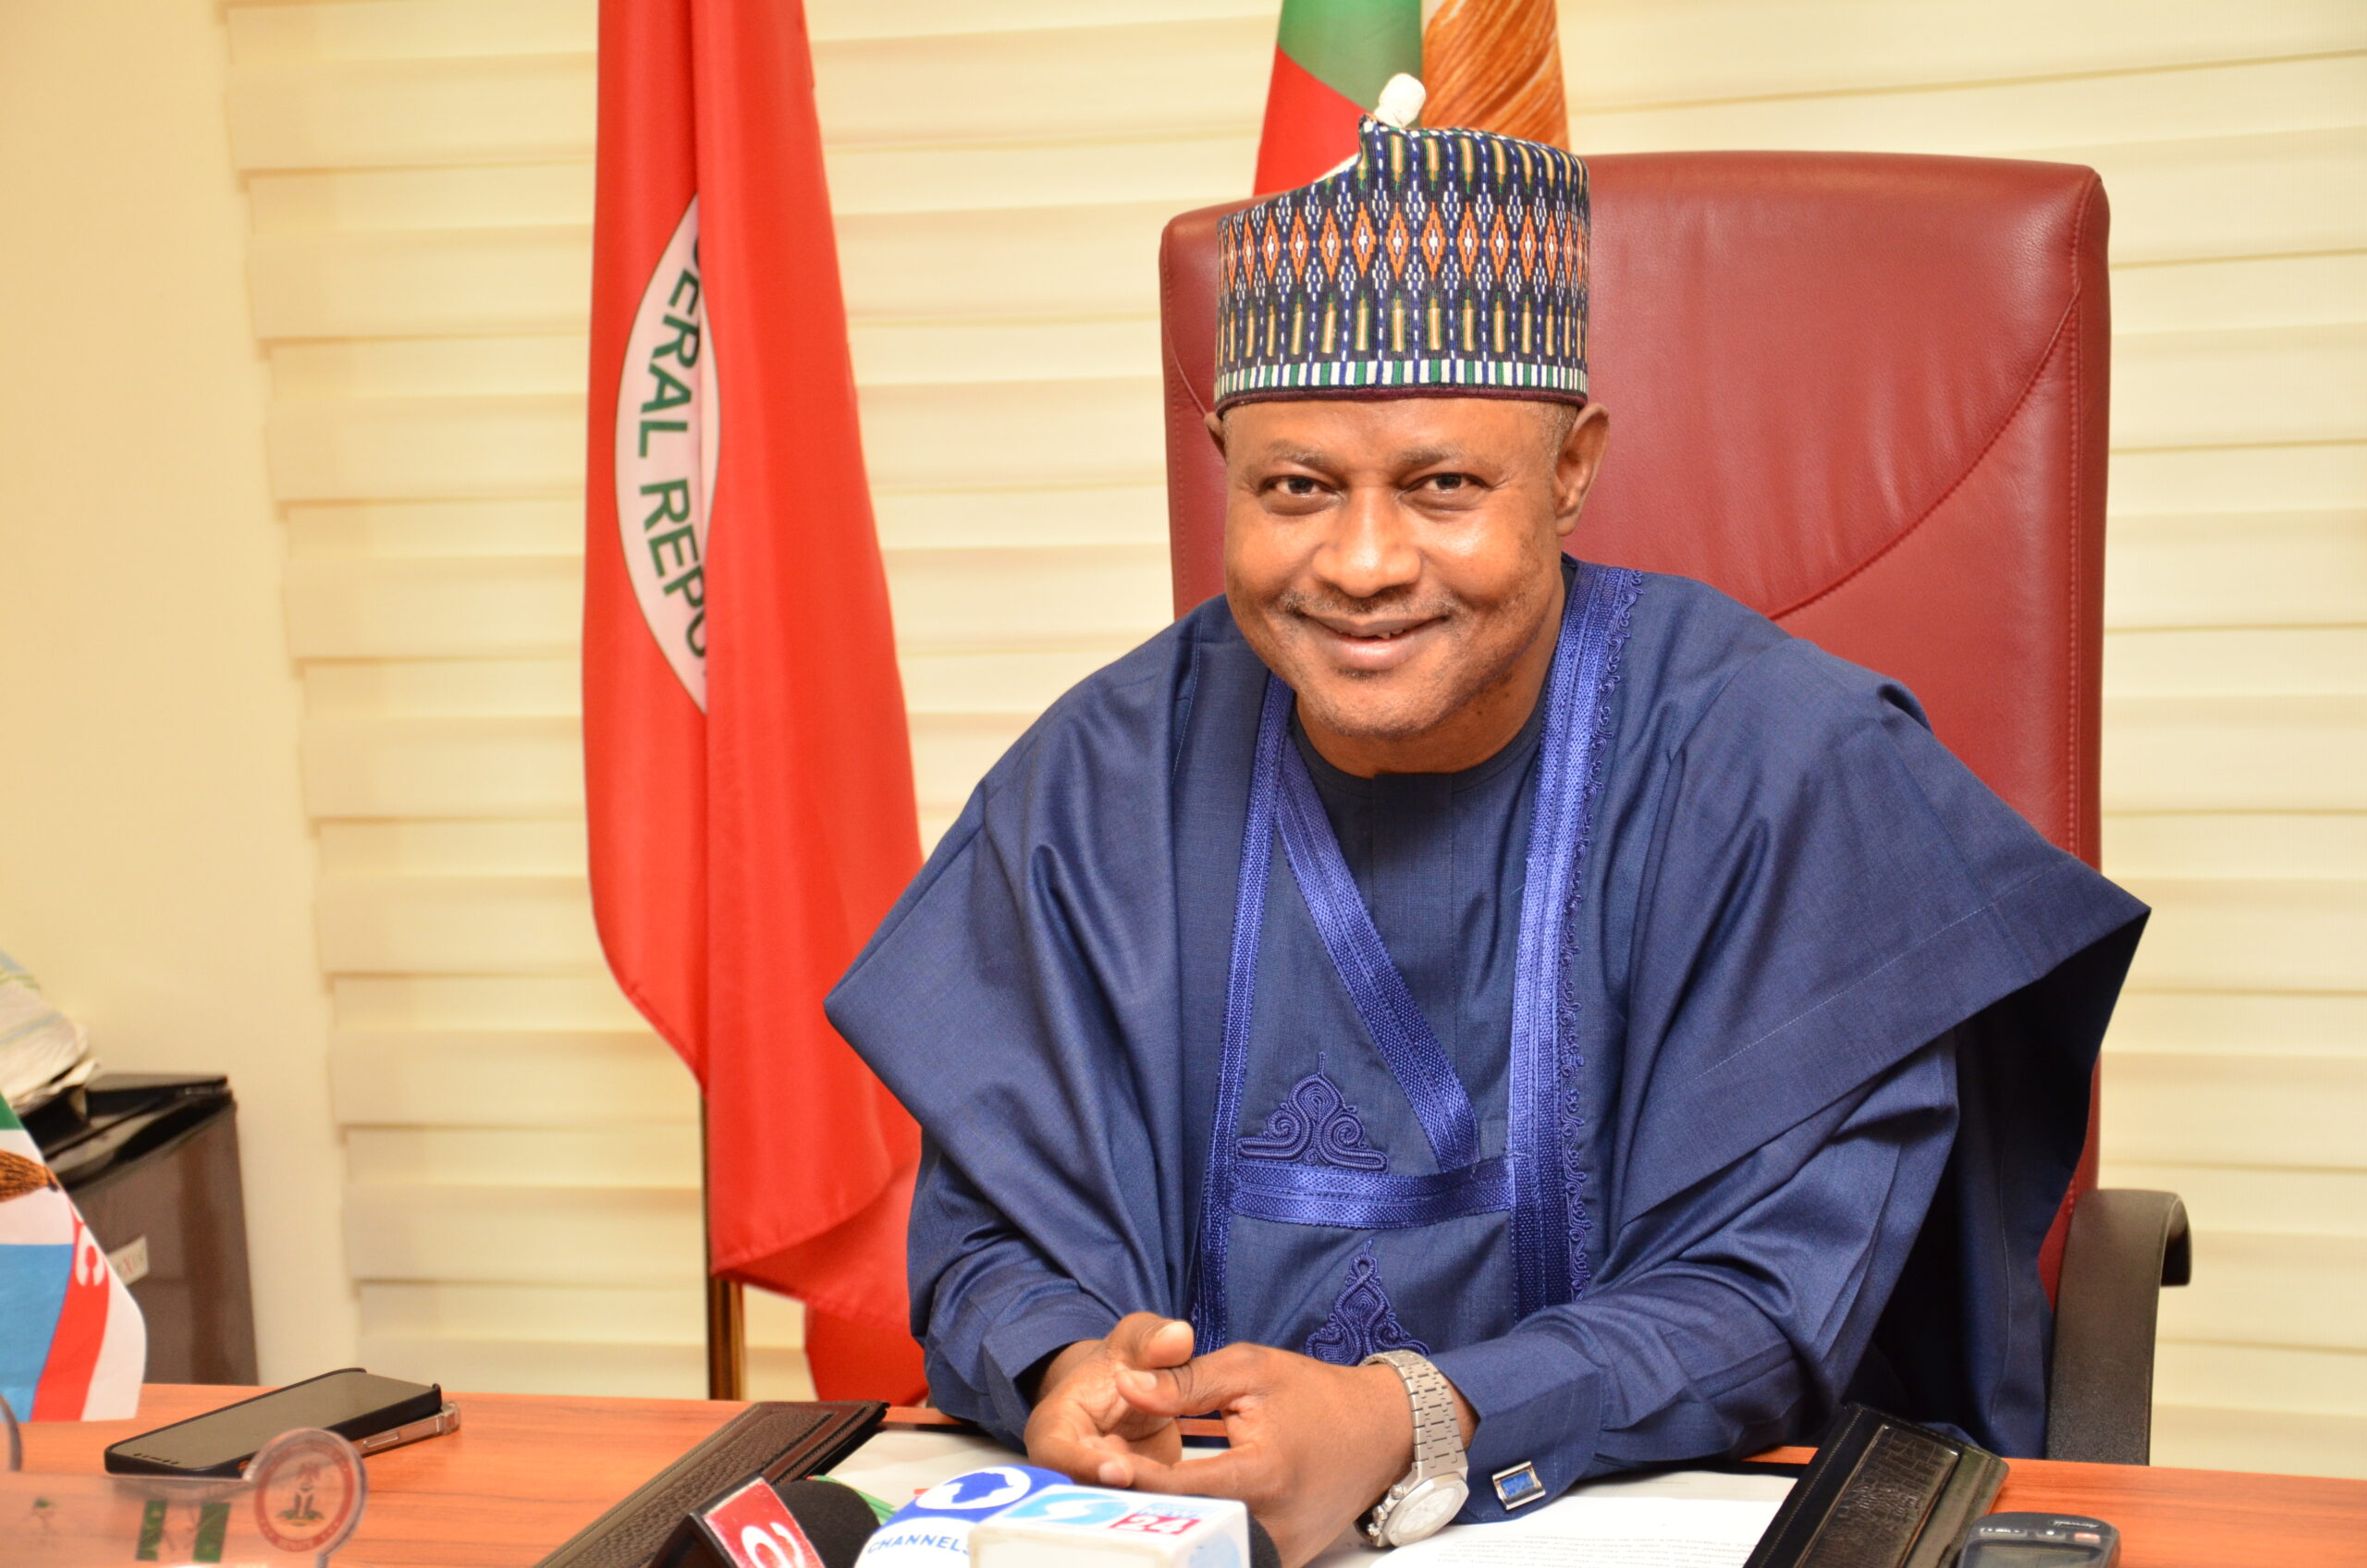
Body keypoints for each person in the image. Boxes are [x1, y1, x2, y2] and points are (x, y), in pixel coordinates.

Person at [827, 108, 2146, 1565]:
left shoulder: (1786, 768)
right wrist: (1071, 1365)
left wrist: (1414, 1419)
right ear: (1225, 468)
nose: (1363, 563)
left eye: (1443, 486)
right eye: (1294, 488)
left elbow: (1776, 1295)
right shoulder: (1102, 776)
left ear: (1572, 468)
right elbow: (992, 1236)